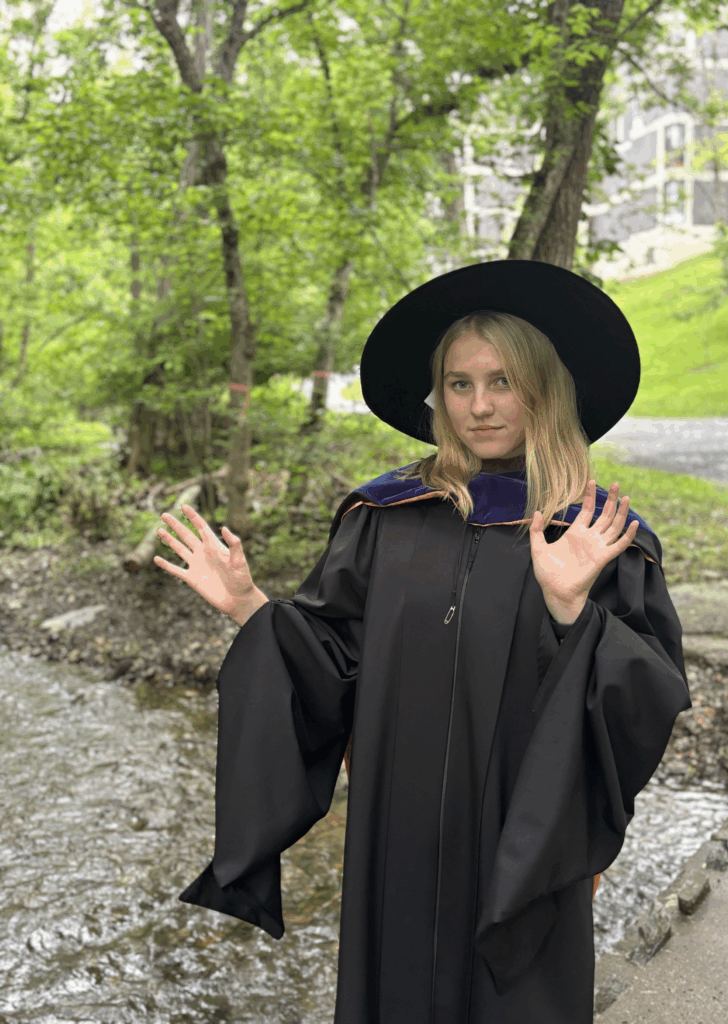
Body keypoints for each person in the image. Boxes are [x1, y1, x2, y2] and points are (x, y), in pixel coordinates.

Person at [153, 259, 691, 1024]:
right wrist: (249, 606)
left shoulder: (598, 537)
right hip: (396, 837)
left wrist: (575, 612)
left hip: (524, 844)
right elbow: (332, 661)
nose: (479, 405)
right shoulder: (385, 518)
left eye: (503, 382)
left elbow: (648, 699)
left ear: (545, 391)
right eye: (459, 384)